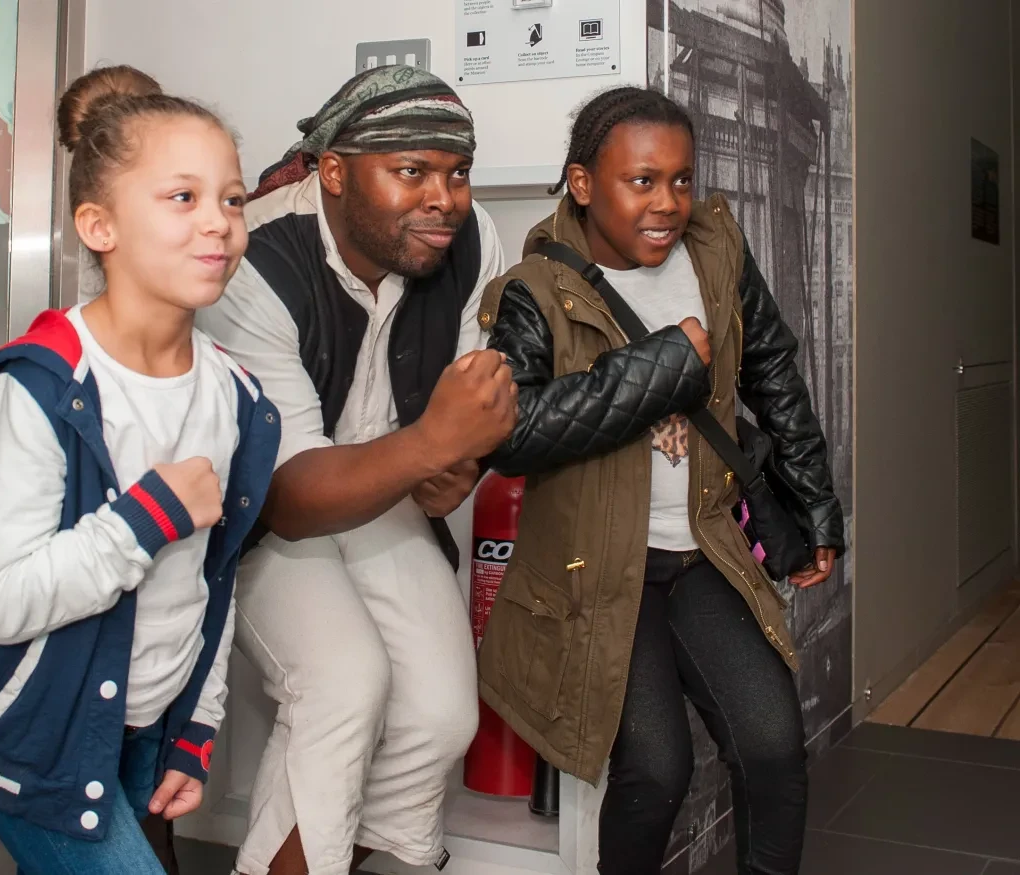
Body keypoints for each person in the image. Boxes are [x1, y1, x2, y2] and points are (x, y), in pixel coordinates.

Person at [475, 87, 845, 875]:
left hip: (704, 550)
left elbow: (774, 371)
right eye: (642, 181)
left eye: (680, 180)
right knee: (655, 769)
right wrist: (665, 365)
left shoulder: (716, 252)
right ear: (583, 184)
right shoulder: (533, 289)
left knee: (774, 747)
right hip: (601, 569)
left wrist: (815, 501)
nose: (668, 203)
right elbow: (512, 433)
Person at [0, 65, 279, 874]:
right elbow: (3, 601)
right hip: (32, 733)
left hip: (147, 724)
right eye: (183, 197)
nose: (220, 223)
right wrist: (145, 518)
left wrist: (196, 725)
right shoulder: (40, 387)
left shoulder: (235, 396)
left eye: (231, 199)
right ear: (99, 226)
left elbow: (212, 582)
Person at [196, 65, 514, 875]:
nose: (444, 199)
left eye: (458, 174)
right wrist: (433, 445)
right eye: (412, 171)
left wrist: (459, 464)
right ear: (334, 172)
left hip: (386, 487)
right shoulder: (252, 258)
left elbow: (466, 406)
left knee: (441, 713)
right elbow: (291, 495)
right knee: (343, 682)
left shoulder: (473, 240)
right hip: (256, 510)